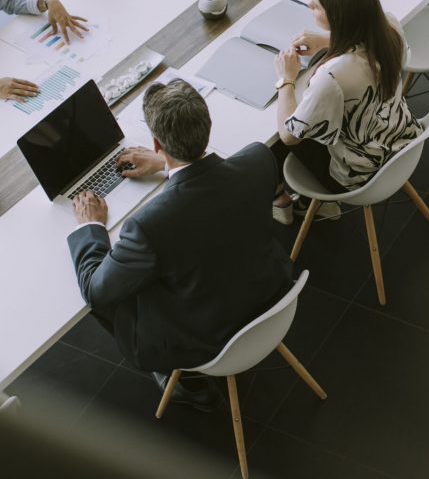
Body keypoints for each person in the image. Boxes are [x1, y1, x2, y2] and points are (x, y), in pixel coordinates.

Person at [67, 79, 293, 409]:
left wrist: (91, 225)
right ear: (207, 124)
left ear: (156, 143)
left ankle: (183, 379)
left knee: (111, 297)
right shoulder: (259, 160)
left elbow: (96, 290)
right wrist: (169, 165)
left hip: (207, 337)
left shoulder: (148, 226)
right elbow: (220, 182)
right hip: (271, 294)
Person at [271, 0, 424, 223]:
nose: (309, 5)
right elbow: (367, 36)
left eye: (316, 6)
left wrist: (285, 79)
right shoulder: (391, 27)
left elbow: (289, 135)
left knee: (273, 141)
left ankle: (286, 200)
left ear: (338, 16)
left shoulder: (332, 76)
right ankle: (308, 204)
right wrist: (326, 40)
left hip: (356, 174)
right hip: (398, 138)